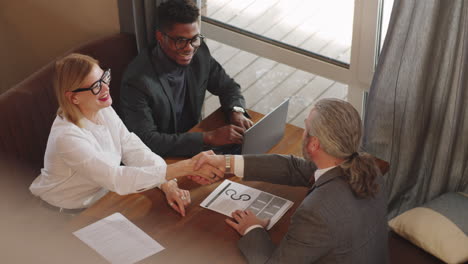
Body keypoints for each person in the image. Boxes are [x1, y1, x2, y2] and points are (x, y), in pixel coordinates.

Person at [193, 99, 389, 263]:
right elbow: (294, 167)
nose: (303, 133)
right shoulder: (368, 166)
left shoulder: (315, 214)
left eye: (306, 129)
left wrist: (252, 228)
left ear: (314, 144)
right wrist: (226, 162)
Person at [30, 53, 222, 216]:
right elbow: (115, 178)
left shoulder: (101, 108)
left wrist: (167, 184)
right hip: (64, 215)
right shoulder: (67, 138)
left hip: (101, 201)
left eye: (104, 78)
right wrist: (186, 167)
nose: (105, 88)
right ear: (74, 97)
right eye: (96, 86)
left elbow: (131, 148)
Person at [120, 0, 253, 157]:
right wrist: (209, 137)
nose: (189, 48)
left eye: (194, 39)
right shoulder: (137, 81)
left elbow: (228, 87)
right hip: (163, 157)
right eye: (181, 41)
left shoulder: (200, 52)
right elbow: (147, 140)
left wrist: (236, 111)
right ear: (160, 37)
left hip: (198, 144)